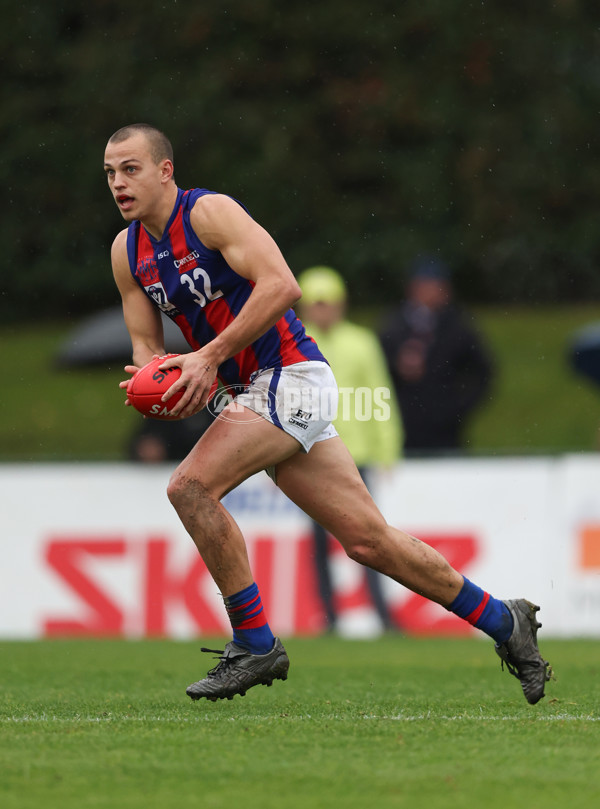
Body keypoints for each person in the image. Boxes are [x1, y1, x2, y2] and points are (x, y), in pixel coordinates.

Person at [104, 123, 551, 705]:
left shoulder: (208, 214)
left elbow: (282, 286)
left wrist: (207, 357)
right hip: (251, 390)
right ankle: (504, 621)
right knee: (371, 543)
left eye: (131, 168)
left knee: (189, 487)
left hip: (291, 377)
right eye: (111, 173)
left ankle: (255, 642)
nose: (118, 182)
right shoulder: (126, 251)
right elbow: (145, 347)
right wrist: (155, 380)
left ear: (165, 170)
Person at [296, 265, 402, 634]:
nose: (325, 310)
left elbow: (380, 395)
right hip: (309, 455)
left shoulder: (361, 342)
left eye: (330, 303)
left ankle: (383, 616)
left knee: (373, 539)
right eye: (318, 304)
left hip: (357, 458)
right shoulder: (293, 342)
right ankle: (329, 617)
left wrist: (387, 450)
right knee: (320, 545)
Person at [379, 256, 494, 455]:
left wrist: (456, 408)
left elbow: (482, 372)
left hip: (446, 431)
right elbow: (375, 371)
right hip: (402, 426)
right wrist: (397, 368)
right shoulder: (393, 326)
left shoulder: (459, 327)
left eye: (437, 286)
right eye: (426, 286)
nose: (431, 293)